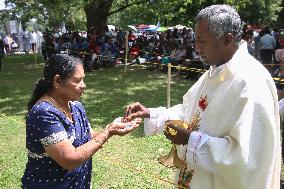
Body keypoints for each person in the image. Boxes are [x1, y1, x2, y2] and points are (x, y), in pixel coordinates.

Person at [125, 5, 280, 189]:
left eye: (202, 41)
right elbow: (191, 111)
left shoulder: (251, 82)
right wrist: (152, 114)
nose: (196, 48)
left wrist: (192, 141)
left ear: (227, 41)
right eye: (195, 40)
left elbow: (249, 160)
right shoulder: (216, 71)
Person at [21, 54, 141, 189]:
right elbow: (69, 160)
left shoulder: (75, 105)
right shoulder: (44, 113)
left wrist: (112, 128)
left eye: (83, 79)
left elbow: (85, 137)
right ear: (58, 81)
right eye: (77, 81)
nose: (84, 85)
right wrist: (107, 132)